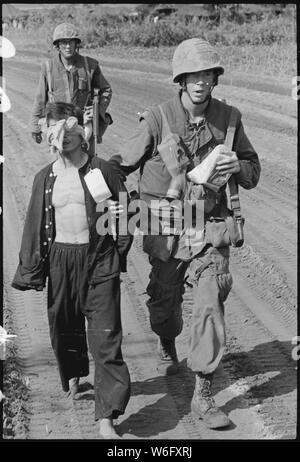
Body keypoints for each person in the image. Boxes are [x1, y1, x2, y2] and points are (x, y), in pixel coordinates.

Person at [110, 38, 261, 429]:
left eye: (207, 74)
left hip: (210, 228)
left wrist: (237, 170)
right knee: (164, 301)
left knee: (210, 301)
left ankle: (204, 395)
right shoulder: (157, 119)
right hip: (166, 228)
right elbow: (121, 164)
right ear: (181, 79)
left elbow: (253, 171)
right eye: (193, 75)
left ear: (215, 78)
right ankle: (165, 337)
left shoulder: (229, 120)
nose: (200, 81)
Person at [12, 101, 133, 439]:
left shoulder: (101, 171)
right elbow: (34, 225)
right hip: (61, 260)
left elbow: (125, 216)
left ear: (82, 133)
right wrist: (32, 268)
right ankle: (76, 375)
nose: (62, 138)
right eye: (55, 132)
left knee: (106, 337)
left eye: (68, 131)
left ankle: (107, 417)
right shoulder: (45, 178)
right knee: (64, 326)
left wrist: (115, 255)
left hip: (97, 259)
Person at [30, 22, 113, 155]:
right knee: (62, 165)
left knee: (87, 162)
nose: (68, 46)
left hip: (83, 124)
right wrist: (35, 126)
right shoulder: (48, 67)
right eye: (64, 42)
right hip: (58, 126)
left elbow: (106, 90)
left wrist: (98, 109)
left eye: (71, 42)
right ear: (57, 45)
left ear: (76, 44)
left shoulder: (90, 65)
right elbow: (40, 99)